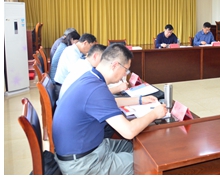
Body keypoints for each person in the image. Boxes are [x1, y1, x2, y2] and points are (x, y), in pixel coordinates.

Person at [52, 44, 167, 174]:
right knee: (146, 164)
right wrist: (155, 113)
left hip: (88, 149)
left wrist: (140, 100)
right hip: (82, 163)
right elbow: (128, 131)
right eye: (126, 70)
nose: (125, 74)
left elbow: (109, 102)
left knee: (135, 147)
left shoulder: (91, 77)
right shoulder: (96, 89)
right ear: (115, 65)